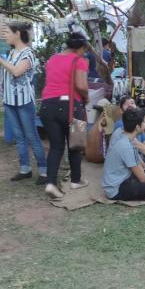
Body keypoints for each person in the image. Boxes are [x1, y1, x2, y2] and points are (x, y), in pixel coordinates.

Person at [0, 22, 47, 182]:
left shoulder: (28, 53)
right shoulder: (12, 52)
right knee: (19, 136)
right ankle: (25, 168)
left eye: (7, 32)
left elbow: (16, 71)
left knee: (31, 135)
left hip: (24, 101)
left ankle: (43, 171)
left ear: (18, 33)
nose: (4, 35)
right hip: (10, 100)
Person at [39, 31, 89, 199]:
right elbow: (80, 85)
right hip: (70, 106)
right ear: (80, 48)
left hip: (47, 106)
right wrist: (87, 96)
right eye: (84, 49)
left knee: (56, 146)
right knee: (76, 144)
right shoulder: (79, 60)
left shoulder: (52, 59)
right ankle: (76, 180)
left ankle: (51, 183)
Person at [102, 107, 145, 201]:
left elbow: (136, 156)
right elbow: (143, 178)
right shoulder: (126, 147)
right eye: (144, 122)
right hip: (116, 189)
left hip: (123, 177)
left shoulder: (120, 132)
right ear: (137, 127)